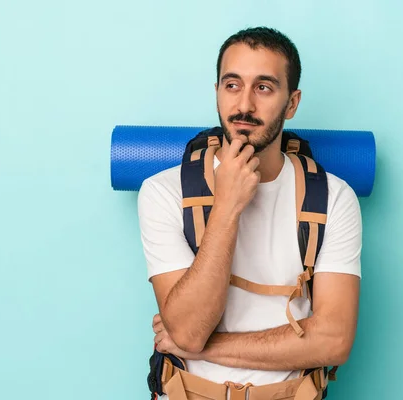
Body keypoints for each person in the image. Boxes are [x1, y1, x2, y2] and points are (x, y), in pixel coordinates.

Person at [137, 26, 362, 400]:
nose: (244, 105)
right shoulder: (163, 192)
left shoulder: (334, 199)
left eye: (264, 87)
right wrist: (226, 206)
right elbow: (190, 330)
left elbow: (334, 340)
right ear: (217, 93)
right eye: (232, 85)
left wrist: (208, 348)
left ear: (291, 103)